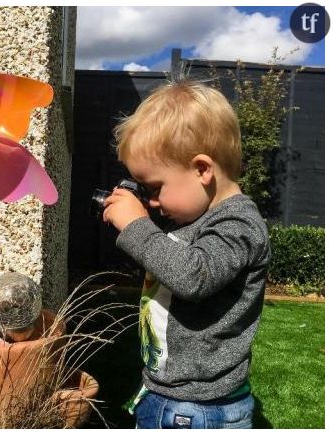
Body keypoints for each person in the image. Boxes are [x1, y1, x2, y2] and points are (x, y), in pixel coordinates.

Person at [102, 80, 270, 429]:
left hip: (196, 409)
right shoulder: (201, 217)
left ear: (202, 169)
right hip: (174, 397)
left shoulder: (238, 224)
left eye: (155, 188)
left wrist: (136, 226)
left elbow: (194, 276)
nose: (151, 202)